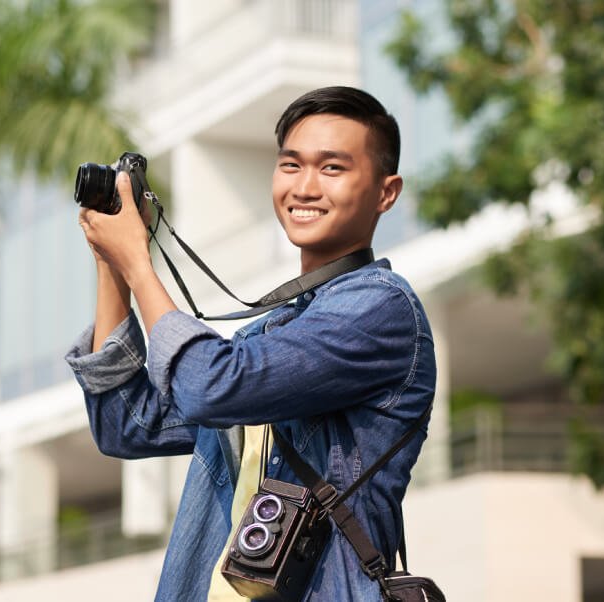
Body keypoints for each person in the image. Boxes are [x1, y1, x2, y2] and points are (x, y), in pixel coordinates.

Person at [65, 86, 436, 601]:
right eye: (290, 165)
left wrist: (137, 261)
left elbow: (212, 388)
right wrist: (113, 264)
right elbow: (126, 425)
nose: (305, 187)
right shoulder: (270, 332)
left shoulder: (380, 309)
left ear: (385, 192)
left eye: (332, 169)